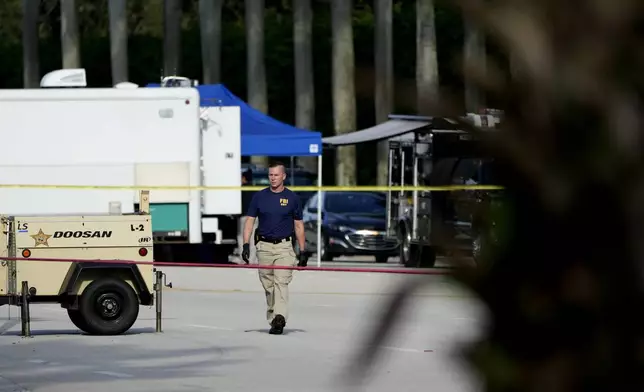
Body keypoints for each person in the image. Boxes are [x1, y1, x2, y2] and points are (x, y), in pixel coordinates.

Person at [241, 161, 307, 335]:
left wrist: (303, 250)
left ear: (283, 176)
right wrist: (246, 244)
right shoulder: (259, 197)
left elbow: (299, 225)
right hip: (264, 246)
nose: (273, 178)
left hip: (284, 247)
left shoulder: (292, 198)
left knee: (281, 282)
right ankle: (273, 318)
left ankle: (280, 317)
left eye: (276, 175)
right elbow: (250, 221)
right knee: (268, 286)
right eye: (270, 175)